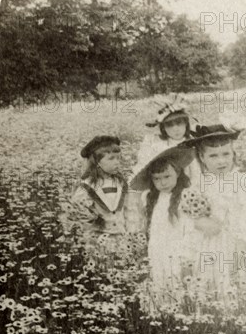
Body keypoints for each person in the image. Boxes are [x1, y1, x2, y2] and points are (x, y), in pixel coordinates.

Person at [181, 124, 246, 300]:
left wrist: (243, 242)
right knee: (215, 287)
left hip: (243, 243)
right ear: (202, 157)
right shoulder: (199, 185)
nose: (221, 161)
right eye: (213, 156)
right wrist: (200, 223)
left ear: (233, 154)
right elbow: (191, 217)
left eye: (226, 154)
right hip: (211, 245)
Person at [129, 145, 195, 297]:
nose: (163, 183)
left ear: (177, 173)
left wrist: (187, 257)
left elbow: (190, 229)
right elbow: (147, 227)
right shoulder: (149, 198)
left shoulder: (186, 195)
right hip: (157, 249)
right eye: (157, 179)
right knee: (159, 281)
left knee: (179, 284)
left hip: (179, 249)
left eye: (167, 177)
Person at [62, 135, 138, 264]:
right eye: (111, 159)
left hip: (122, 239)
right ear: (97, 162)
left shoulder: (121, 184)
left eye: (119, 158)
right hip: (97, 241)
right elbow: (78, 216)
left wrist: (132, 234)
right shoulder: (87, 187)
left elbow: (129, 211)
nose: (117, 162)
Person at [137, 95, 201, 184]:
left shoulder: (194, 142)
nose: (176, 129)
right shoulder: (158, 145)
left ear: (186, 124)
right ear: (163, 128)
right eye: (170, 125)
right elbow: (144, 166)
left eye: (179, 123)